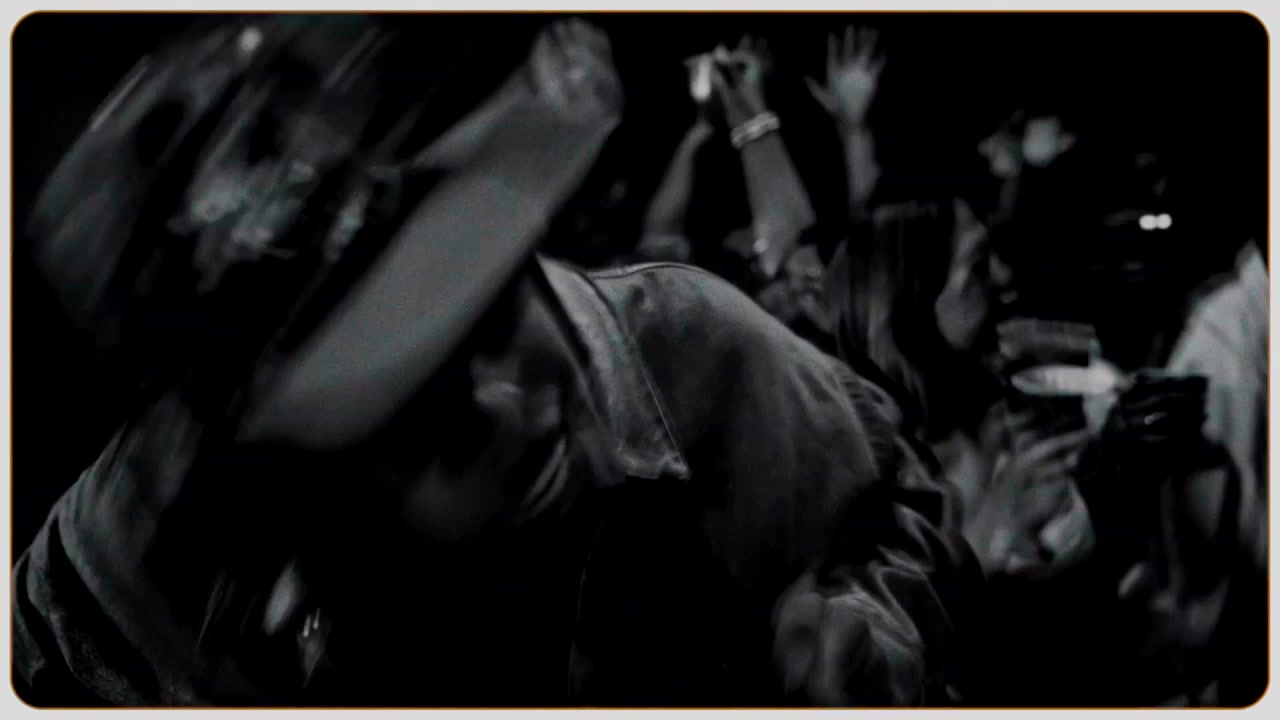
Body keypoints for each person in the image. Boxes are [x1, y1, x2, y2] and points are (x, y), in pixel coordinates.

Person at [13, 15, 978, 707]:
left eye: (484, 311)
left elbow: (901, 508)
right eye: (427, 422)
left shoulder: (691, 345)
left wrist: (872, 628)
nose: (516, 403)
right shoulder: (154, 575)